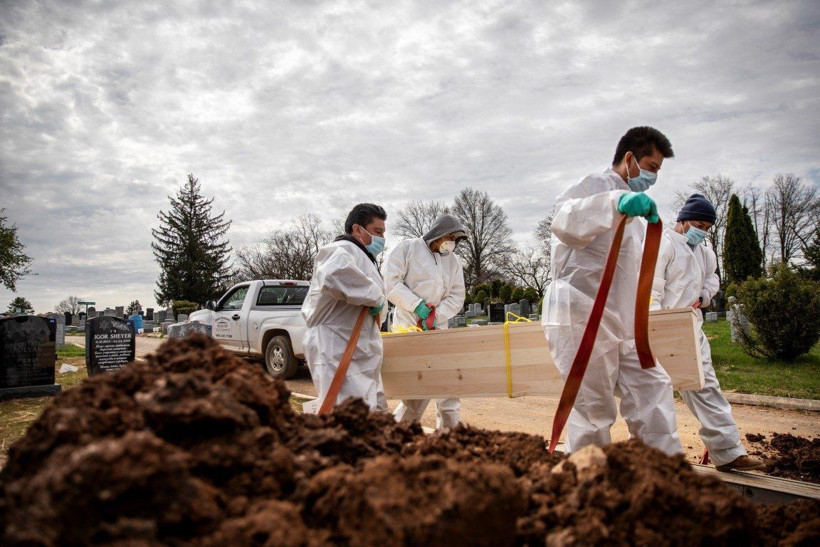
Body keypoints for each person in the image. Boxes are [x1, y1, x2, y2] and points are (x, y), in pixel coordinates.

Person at [542, 126, 683, 456]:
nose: (653, 177)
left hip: (620, 321)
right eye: (650, 167)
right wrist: (617, 201)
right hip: (580, 311)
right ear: (630, 159)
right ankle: (588, 483)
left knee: (653, 386)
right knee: (593, 410)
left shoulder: (636, 211)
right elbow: (565, 222)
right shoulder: (595, 185)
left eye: (658, 171)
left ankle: (664, 470)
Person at [652, 194, 765, 471]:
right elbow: (650, 288)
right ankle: (657, 461)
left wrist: (704, 296)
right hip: (661, 328)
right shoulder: (662, 245)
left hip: (691, 327)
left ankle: (728, 453)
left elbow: (712, 278)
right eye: (699, 224)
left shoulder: (704, 250)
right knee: (653, 395)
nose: (702, 231)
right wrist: (655, 327)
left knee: (706, 387)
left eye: (707, 227)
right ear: (683, 220)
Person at [301, 203, 389, 412]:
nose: (382, 239)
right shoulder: (340, 249)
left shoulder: (363, 256)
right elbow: (334, 275)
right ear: (357, 229)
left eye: (383, 233)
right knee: (344, 413)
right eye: (377, 231)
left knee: (370, 412)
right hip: (335, 345)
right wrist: (376, 298)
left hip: (355, 345)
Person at [384, 213, 468, 430]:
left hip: (439, 329)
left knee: (448, 388)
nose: (452, 243)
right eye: (449, 236)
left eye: (455, 239)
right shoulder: (407, 249)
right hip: (409, 327)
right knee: (416, 390)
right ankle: (396, 435)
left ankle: (450, 437)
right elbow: (391, 283)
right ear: (437, 234)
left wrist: (435, 315)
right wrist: (417, 306)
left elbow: (457, 295)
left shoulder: (454, 262)